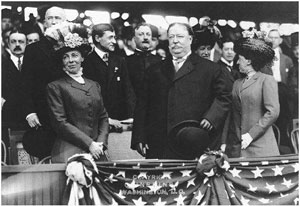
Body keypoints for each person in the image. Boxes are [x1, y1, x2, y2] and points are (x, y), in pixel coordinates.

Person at [131, 22, 232, 159]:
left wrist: (211, 117)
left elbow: (224, 96)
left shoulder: (210, 69)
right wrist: (139, 137)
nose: (175, 41)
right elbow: (142, 104)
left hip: (193, 139)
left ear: (190, 39)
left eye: (180, 36)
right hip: (160, 142)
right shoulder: (154, 70)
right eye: (171, 37)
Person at [46, 25, 109, 163]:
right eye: (66, 57)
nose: (71, 60)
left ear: (82, 58)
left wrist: (101, 142)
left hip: (97, 152)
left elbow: (103, 117)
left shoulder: (94, 85)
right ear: (62, 62)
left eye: (74, 55)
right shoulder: (55, 86)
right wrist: (89, 144)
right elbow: (60, 123)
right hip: (69, 151)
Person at [223, 30, 280, 158]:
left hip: (260, 147)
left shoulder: (266, 80)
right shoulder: (237, 83)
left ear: (248, 61)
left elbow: (273, 112)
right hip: (237, 148)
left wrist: (251, 134)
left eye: (240, 59)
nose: (237, 62)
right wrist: (223, 142)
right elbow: (231, 114)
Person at [83, 24, 135, 132]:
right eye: (110, 37)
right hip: (96, 123)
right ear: (97, 38)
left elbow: (128, 90)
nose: (114, 41)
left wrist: (132, 116)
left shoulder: (119, 60)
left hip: (119, 121)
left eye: (114, 37)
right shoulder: (86, 62)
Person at [126, 23, 161, 99]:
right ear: (134, 39)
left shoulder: (160, 62)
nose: (145, 38)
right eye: (141, 34)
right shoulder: (125, 62)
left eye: (148, 35)